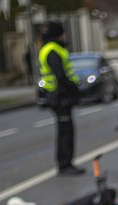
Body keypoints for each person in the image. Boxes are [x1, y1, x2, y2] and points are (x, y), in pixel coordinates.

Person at [38, 21, 84, 175]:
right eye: (63, 33)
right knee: (66, 132)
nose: (65, 36)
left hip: (59, 96)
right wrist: (73, 87)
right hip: (60, 96)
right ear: (58, 34)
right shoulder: (52, 50)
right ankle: (65, 164)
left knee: (67, 131)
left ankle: (66, 162)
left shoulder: (53, 48)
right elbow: (60, 75)